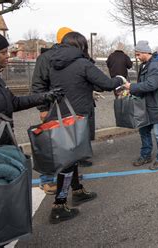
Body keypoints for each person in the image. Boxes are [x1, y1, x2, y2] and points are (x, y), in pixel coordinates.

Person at [47, 31, 126, 223]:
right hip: (77, 117)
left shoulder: (54, 63)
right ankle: (59, 205)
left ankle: (77, 190)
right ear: (81, 46)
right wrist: (120, 79)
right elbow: (106, 84)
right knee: (68, 162)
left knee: (70, 158)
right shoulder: (82, 63)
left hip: (60, 116)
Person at [0, 26, 61, 177]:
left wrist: (44, 96)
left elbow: (13, 102)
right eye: (3, 53)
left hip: (0, 148)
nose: (8, 56)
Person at [32, 26, 73, 195]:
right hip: (52, 108)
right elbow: (38, 85)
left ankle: (66, 176)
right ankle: (47, 180)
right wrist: (43, 108)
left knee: (65, 144)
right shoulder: (46, 58)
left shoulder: (70, 57)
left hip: (66, 108)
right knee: (50, 144)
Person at [123, 40, 158, 170]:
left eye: (138, 54)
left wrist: (132, 87)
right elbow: (144, 85)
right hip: (146, 106)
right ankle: (146, 155)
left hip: (157, 106)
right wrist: (132, 91)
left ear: (145, 52)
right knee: (144, 132)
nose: (137, 57)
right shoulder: (144, 65)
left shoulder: (154, 66)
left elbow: (152, 84)